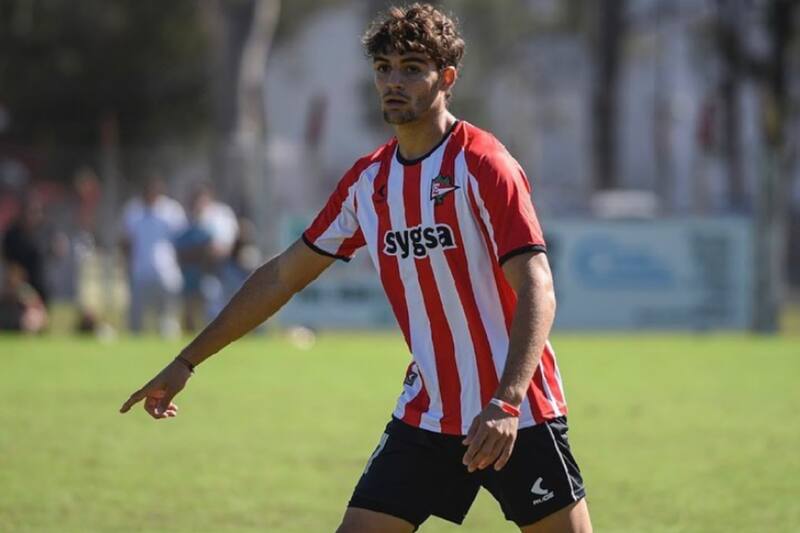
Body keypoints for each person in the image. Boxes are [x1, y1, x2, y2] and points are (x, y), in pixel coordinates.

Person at [120, 4, 592, 532]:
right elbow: (282, 277)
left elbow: (537, 285)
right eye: (384, 68)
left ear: (447, 78)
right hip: (429, 413)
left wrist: (506, 402)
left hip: (516, 413)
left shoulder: (483, 164)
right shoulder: (369, 182)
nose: (394, 82)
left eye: (412, 68)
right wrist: (187, 361)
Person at [120, 175, 186, 337]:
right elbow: (126, 242)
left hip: (167, 271)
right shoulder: (133, 211)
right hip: (140, 271)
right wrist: (127, 265)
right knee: (136, 317)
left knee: (167, 317)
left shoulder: (172, 210)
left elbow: (181, 240)